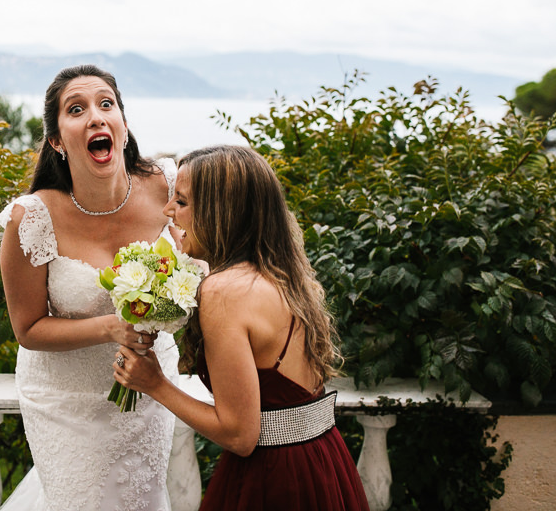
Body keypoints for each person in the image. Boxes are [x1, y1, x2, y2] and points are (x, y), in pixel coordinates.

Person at [112, 145, 370, 510]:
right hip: (324, 460)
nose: (169, 211)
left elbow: (239, 434)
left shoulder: (224, 292)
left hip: (276, 479)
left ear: (221, 213)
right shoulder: (281, 275)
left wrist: (155, 384)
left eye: (181, 201)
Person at [0, 65, 181, 511]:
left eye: (106, 104)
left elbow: (204, 270)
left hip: (151, 388)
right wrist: (111, 327)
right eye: (76, 109)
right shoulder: (32, 218)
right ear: (57, 140)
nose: (96, 117)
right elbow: (27, 329)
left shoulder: (169, 187)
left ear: (121, 124)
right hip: (65, 401)